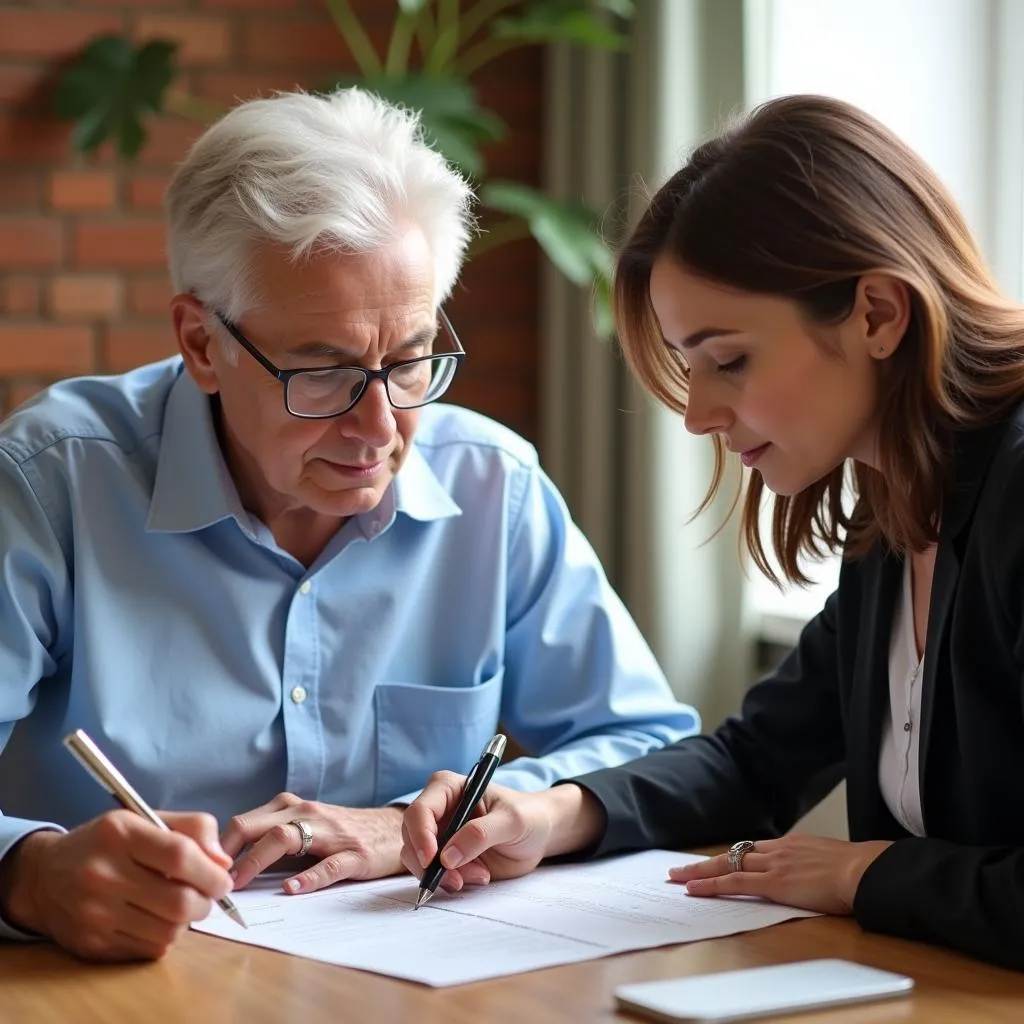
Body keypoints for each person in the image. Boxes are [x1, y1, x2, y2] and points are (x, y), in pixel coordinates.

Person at [0, 87, 700, 962]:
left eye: (409, 362)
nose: (380, 428)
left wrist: (438, 820)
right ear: (202, 343)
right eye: (323, 373)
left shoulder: (494, 488)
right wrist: (27, 875)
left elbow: (648, 746)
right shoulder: (49, 484)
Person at [400, 93, 1024, 972]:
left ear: (879, 314)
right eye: (689, 367)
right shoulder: (895, 517)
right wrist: (548, 814)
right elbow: (754, 764)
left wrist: (864, 874)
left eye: (728, 360)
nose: (697, 415)